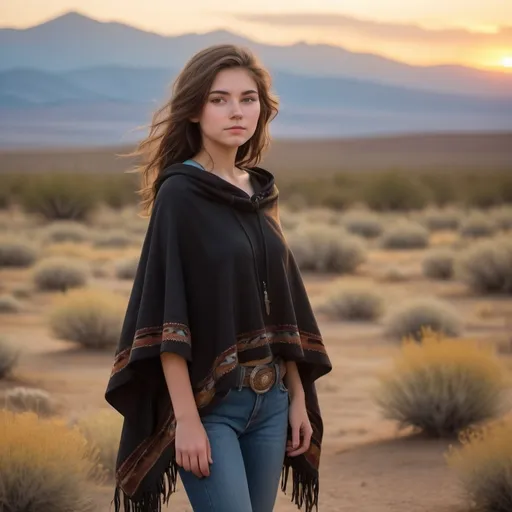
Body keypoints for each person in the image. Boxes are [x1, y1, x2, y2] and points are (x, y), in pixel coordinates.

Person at [105, 44, 332, 512]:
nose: (236, 111)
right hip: (211, 407)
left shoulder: (261, 192)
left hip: (272, 404)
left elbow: (281, 307)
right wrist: (186, 420)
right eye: (219, 99)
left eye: (248, 99)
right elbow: (167, 314)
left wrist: (295, 399)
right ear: (194, 110)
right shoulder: (180, 195)